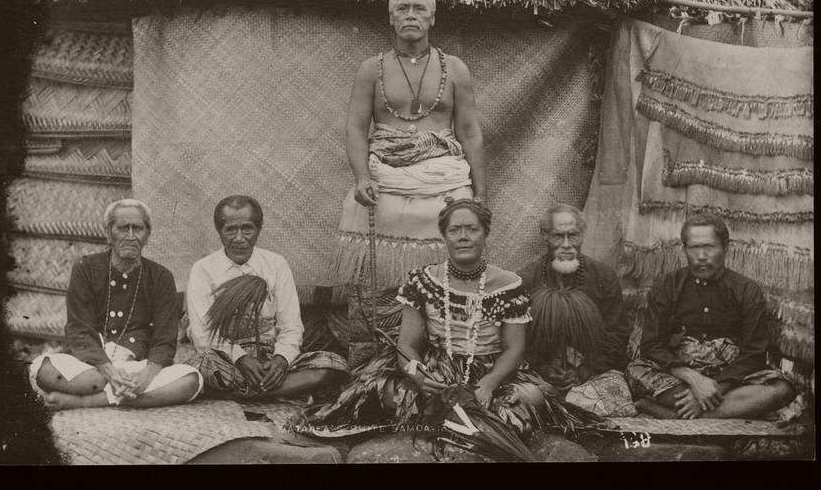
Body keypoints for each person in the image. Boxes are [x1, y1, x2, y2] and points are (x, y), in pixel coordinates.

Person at [332, 0, 487, 367]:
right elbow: (355, 128)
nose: (411, 16)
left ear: (432, 18)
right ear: (391, 18)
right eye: (403, 9)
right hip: (385, 178)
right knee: (376, 280)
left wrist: (479, 193)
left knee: (447, 270)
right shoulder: (372, 69)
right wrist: (360, 178)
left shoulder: (456, 70)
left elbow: (469, 131)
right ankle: (375, 361)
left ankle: (441, 359)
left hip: (445, 181)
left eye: (419, 9)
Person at [310, 198, 546, 435]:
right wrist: (419, 376)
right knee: (386, 391)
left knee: (531, 396)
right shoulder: (424, 282)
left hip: (490, 371)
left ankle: (455, 419)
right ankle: (464, 421)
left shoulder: (508, 284)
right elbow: (407, 345)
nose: (463, 236)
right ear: (444, 236)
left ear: (485, 234)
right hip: (436, 370)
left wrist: (489, 383)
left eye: (472, 229)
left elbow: (514, 348)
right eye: (454, 230)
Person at [29, 199, 203, 410]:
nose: (130, 236)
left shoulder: (161, 277)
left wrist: (145, 377)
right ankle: (117, 392)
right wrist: (109, 373)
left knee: (191, 380)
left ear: (147, 235)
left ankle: (87, 401)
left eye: (137, 228)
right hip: (90, 365)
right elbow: (79, 329)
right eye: (122, 228)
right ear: (109, 233)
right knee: (43, 369)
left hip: (137, 365)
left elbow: (165, 339)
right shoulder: (86, 268)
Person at [626, 213, 797, 420]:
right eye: (694, 247)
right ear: (684, 249)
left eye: (709, 246)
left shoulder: (747, 290)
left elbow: (754, 353)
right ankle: (722, 409)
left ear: (725, 247)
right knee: (636, 372)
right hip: (680, 375)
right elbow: (652, 345)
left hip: (731, 377)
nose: (701, 256)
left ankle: (674, 413)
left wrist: (714, 389)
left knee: (782, 389)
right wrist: (694, 380)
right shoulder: (667, 285)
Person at [187, 195, 349, 400]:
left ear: (259, 229)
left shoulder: (275, 264)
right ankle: (270, 392)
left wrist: (281, 361)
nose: (239, 238)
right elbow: (203, 335)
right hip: (226, 361)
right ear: (219, 231)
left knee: (333, 365)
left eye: (247, 228)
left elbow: (291, 326)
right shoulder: (203, 269)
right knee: (201, 368)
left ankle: (240, 393)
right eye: (230, 230)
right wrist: (241, 358)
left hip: (269, 359)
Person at [517, 204, 635, 418]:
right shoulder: (526, 279)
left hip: (592, 372)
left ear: (582, 235)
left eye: (573, 236)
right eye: (557, 237)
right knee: (525, 399)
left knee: (608, 403)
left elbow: (617, 333)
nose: (566, 245)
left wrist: (586, 369)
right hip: (541, 373)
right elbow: (517, 338)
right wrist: (544, 367)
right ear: (544, 236)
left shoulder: (603, 277)